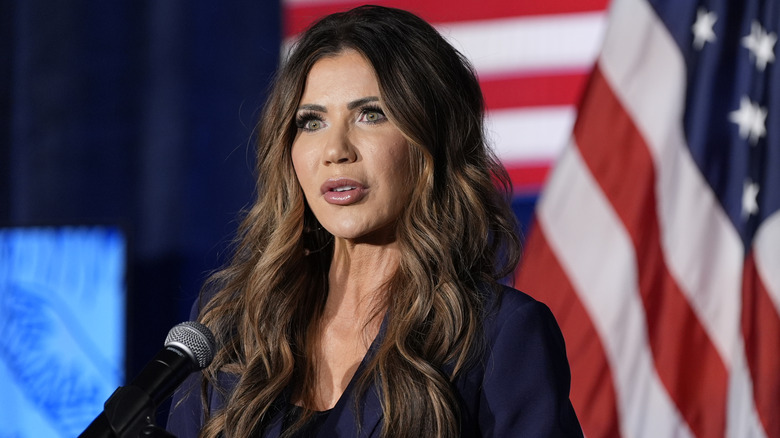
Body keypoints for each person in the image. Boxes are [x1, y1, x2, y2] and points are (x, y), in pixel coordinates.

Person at [166, 5, 582, 437]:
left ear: (430, 140)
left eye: (370, 114)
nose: (335, 149)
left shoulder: (501, 335)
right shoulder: (231, 324)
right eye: (312, 122)